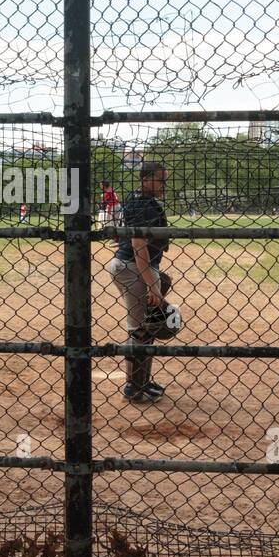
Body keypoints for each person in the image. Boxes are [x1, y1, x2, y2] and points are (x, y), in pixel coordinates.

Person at [107, 163, 172, 404]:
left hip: (134, 267)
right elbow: (138, 245)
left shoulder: (138, 199)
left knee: (148, 327)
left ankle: (142, 380)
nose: (164, 185)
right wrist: (152, 286)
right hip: (133, 268)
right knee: (139, 330)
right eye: (160, 180)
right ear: (145, 179)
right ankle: (133, 387)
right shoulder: (141, 204)